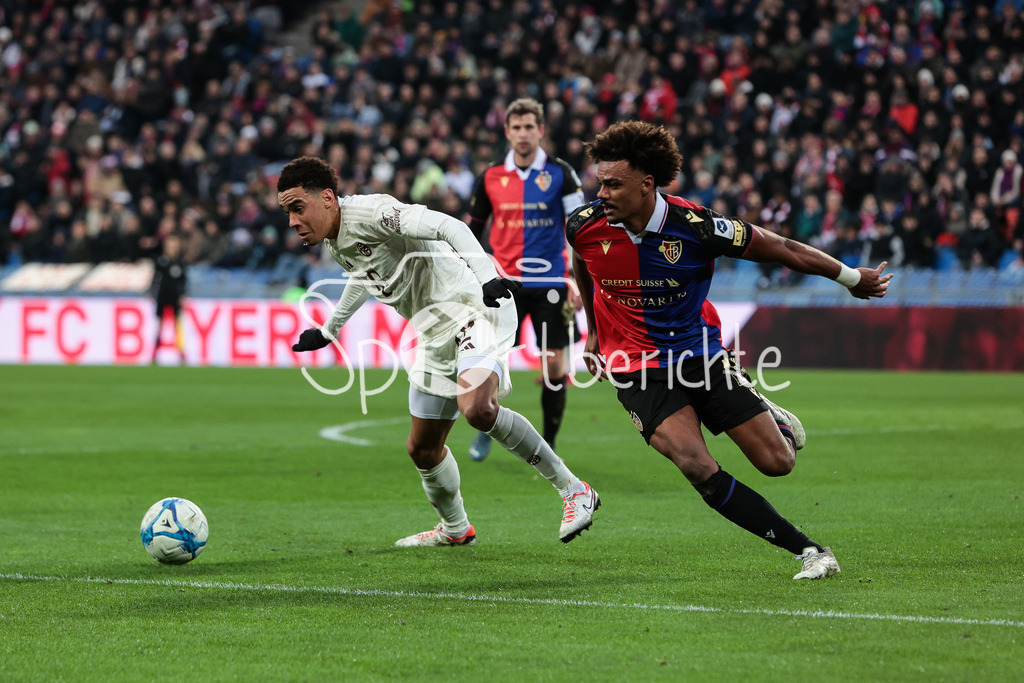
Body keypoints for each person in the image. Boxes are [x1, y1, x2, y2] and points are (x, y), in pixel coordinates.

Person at [567, 121, 892, 579]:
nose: (602, 192)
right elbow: (583, 261)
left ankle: (768, 413)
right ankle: (811, 551)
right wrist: (596, 333)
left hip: (699, 355)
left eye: (613, 184)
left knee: (778, 463)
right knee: (696, 466)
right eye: (600, 181)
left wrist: (851, 279)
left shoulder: (698, 227)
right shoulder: (584, 225)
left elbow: (780, 248)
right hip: (635, 365)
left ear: (647, 184)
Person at [277, 156, 599, 546]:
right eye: (287, 212)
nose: (293, 221)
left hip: (474, 308)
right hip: (433, 334)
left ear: (327, 197)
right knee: (423, 449)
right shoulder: (335, 239)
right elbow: (363, 276)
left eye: (297, 208)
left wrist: (486, 278)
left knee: (478, 409)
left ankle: (574, 489)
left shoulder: (376, 212)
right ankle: (455, 529)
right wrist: (329, 331)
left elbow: (450, 226)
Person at [466, 98, 587, 461]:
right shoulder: (489, 176)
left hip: (553, 282)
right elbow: (471, 230)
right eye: (516, 127)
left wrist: (577, 280)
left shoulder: (562, 174)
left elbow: (580, 230)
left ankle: (548, 444)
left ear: (541, 131)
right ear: (507, 132)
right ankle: (488, 426)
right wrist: (479, 263)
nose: (522, 134)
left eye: (529, 127)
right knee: (492, 363)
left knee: (554, 368)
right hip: (505, 283)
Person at [150, 234, 187, 364]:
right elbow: (155, 279)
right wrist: (151, 292)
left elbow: (183, 282)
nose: (171, 249)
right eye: (169, 246)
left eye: (174, 246)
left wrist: (183, 295)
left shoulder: (180, 263)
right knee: (159, 326)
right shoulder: (160, 261)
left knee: (177, 327)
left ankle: (182, 355)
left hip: (175, 297)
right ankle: (154, 354)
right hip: (162, 296)